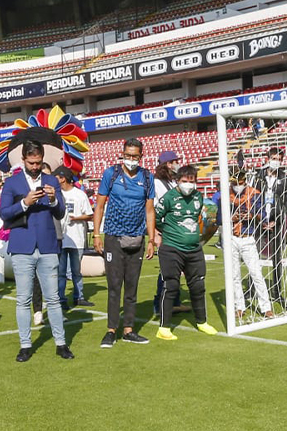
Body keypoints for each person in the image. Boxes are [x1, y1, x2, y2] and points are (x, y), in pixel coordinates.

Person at [0, 142, 73, 362]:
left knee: (53, 298)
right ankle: (25, 344)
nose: (35, 166)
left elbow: (60, 212)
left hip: (48, 245)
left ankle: (61, 343)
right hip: (22, 246)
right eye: (31, 162)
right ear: (23, 160)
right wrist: (24, 203)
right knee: (23, 299)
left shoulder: (51, 180)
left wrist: (52, 199)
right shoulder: (12, 183)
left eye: (39, 162)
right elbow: (4, 213)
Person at [93, 137, 158, 347]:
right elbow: (100, 206)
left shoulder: (147, 177)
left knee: (132, 285)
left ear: (141, 156)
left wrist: (150, 240)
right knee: (114, 286)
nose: (130, 159)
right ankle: (111, 330)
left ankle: (129, 330)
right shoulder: (111, 174)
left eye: (134, 156)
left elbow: (149, 211)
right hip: (113, 237)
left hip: (137, 238)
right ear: (122, 154)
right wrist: (96, 234)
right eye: (127, 155)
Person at [153, 166, 219, 340]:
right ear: (177, 181)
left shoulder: (198, 197)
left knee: (198, 287)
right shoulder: (169, 198)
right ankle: (164, 328)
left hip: (194, 249)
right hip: (171, 248)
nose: (189, 185)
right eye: (185, 181)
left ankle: (202, 322)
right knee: (171, 286)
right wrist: (163, 233)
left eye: (192, 181)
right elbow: (155, 217)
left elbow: (198, 218)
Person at [222, 169, 273, 320]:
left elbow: (263, 216)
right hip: (231, 237)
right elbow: (218, 217)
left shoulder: (254, 193)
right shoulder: (225, 194)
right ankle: (239, 306)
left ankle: (266, 307)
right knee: (234, 275)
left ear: (245, 181)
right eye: (234, 183)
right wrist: (231, 217)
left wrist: (252, 215)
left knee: (256, 273)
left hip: (248, 237)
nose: (237, 186)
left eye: (240, 183)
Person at [253, 147, 287, 309]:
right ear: (267, 158)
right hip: (258, 221)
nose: (276, 161)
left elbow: (286, 203)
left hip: (275, 222)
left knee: (277, 258)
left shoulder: (285, 178)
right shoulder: (258, 176)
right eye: (273, 158)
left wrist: (276, 221)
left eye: (279, 159)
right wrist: (259, 219)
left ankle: (277, 291)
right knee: (254, 256)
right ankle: (252, 288)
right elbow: (253, 199)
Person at [54, 166, 93, 309]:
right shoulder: (56, 194)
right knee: (61, 271)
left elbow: (90, 215)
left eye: (57, 177)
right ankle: (61, 299)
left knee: (76, 271)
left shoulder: (79, 195)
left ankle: (79, 297)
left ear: (63, 178)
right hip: (61, 237)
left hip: (76, 238)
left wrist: (77, 217)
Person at [151, 151, 182, 316]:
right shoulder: (156, 183)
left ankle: (174, 301)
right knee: (166, 268)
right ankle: (159, 303)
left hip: (174, 230)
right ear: (167, 164)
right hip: (164, 230)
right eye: (174, 161)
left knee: (176, 267)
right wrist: (156, 232)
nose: (177, 164)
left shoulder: (170, 183)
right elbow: (154, 209)